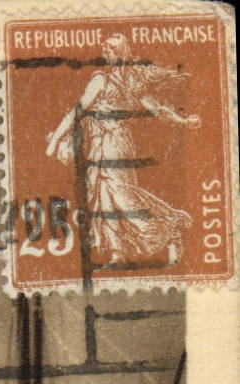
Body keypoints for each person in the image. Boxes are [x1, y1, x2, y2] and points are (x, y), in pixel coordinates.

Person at [44, 33, 199, 268]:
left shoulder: (124, 83)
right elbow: (79, 112)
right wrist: (57, 139)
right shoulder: (102, 80)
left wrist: (184, 122)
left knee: (119, 193)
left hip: (116, 142)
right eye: (104, 48)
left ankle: (168, 225)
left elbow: (158, 110)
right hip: (98, 144)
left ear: (121, 53)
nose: (106, 52)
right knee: (103, 196)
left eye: (111, 48)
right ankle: (117, 254)